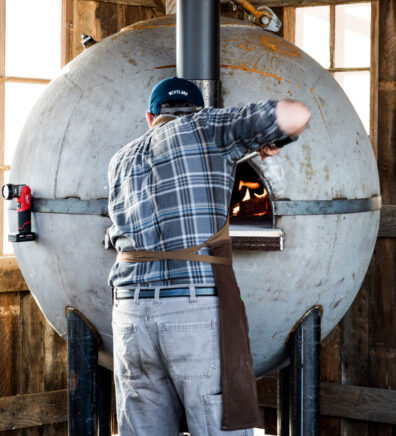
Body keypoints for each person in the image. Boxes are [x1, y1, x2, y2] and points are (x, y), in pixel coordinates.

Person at [107, 76, 311, 436]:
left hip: (130, 318)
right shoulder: (206, 128)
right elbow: (294, 114)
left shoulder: (120, 160)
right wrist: (271, 136)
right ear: (197, 112)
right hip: (190, 317)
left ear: (150, 118)